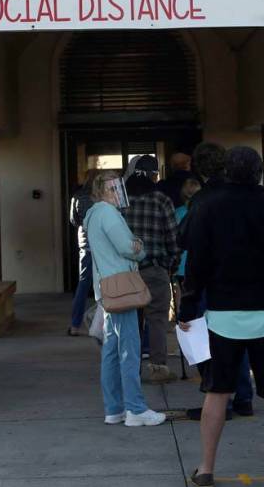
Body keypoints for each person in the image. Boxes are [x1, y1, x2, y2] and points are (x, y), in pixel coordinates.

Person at [179, 146, 264, 487]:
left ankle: (205, 468)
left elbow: (197, 265)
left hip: (224, 312)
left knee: (217, 391)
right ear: (259, 173)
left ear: (227, 173)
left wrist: (188, 307)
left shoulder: (210, 210)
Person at [84, 171, 167, 427]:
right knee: (129, 349)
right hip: (122, 288)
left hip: (107, 288)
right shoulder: (109, 213)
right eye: (115, 188)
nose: (120, 192)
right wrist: (139, 247)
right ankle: (136, 409)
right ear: (106, 190)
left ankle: (114, 409)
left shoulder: (92, 214)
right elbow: (127, 247)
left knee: (111, 350)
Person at [181, 142, 255, 422]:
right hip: (244, 277)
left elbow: (184, 237)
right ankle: (244, 397)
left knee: (209, 342)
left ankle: (219, 399)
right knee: (241, 337)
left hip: (211, 279)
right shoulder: (243, 196)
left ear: (199, 168)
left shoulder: (202, 200)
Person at [124, 155, 181, 383]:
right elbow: (174, 239)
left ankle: (130, 369)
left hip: (126, 270)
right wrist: (171, 266)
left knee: (130, 321)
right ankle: (158, 369)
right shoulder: (161, 200)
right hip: (155, 269)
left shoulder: (121, 199)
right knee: (157, 319)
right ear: (154, 175)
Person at [67, 169, 97, 336]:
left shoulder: (78, 196)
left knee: (83, 284)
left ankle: (75, 325)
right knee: (105, 285)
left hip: (85, 244)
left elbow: (74, 220)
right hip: (102, 246)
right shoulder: (101, 197)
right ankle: (104, 325)